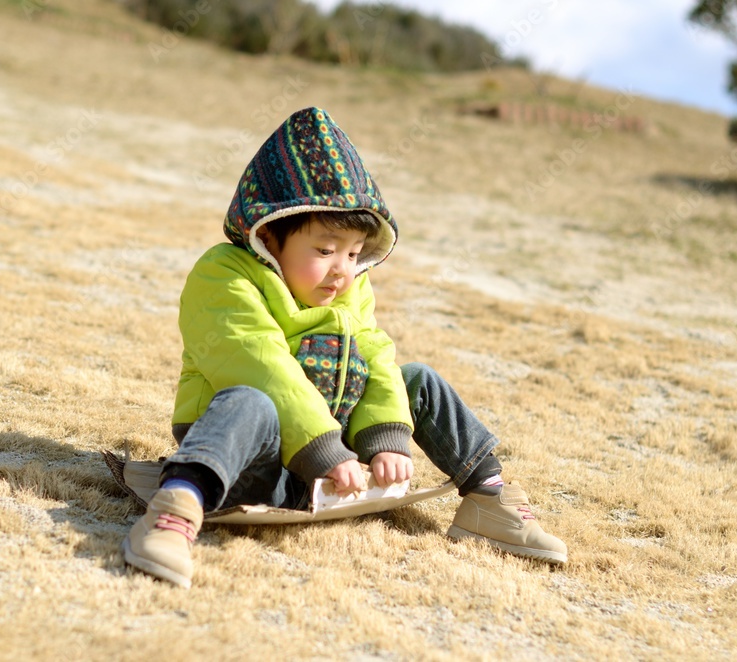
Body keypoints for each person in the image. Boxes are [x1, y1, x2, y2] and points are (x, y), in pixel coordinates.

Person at [122, 107, 567, 589]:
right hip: (252, 459)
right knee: (251, 400)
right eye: (325, 250)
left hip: (332, 454)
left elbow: (375, 357)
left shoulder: (349, 286)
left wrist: (386, 437)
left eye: (354, 253)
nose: (343, 270)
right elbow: (260, 364)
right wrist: (326, 451)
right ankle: (176, 509)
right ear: (269, 234)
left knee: (416, 379)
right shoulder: (223, 275)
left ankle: (488, 497)